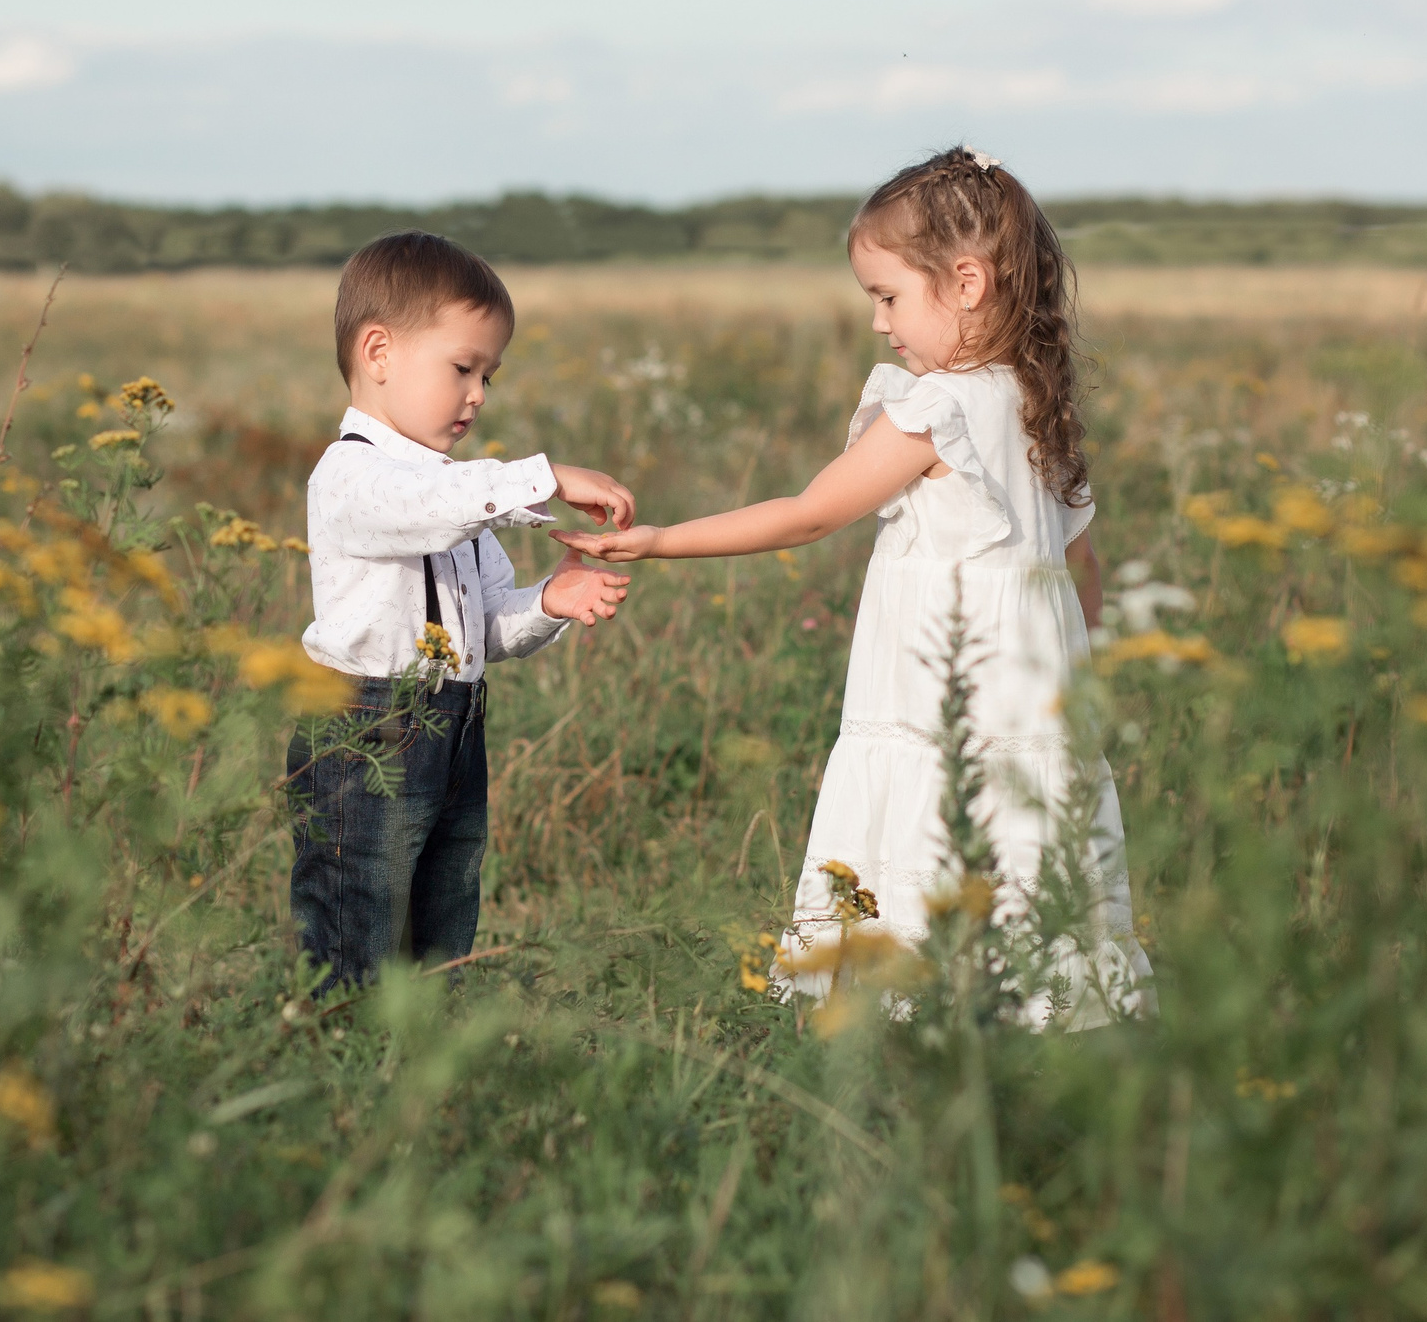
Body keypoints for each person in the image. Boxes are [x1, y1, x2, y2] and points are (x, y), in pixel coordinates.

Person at [555, 148, 1151, 1026]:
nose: (878, 323)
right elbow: (1080, 568)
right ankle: (1034, 1024)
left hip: (937, 703)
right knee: (1016, 855)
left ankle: (919, 1030)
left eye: (888, 296)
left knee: (933, 834)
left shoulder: (936, 410)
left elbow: (808, 514)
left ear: (967, 282)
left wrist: (661, 541)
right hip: (1029, 713)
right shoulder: (1034, 404)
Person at [291, 231, 637, 989]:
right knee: (358, 917)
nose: (479, 394)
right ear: (378, 352)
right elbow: (429, 506)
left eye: (489, 375)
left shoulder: (456, 494)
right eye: (462, 368)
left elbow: (481, 628)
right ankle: (340, 1048)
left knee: (441, 914)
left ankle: (424, 1045)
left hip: (454, 724)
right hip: (368, 725)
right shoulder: (352, 473)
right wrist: (543, 477)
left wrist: (547, 601)